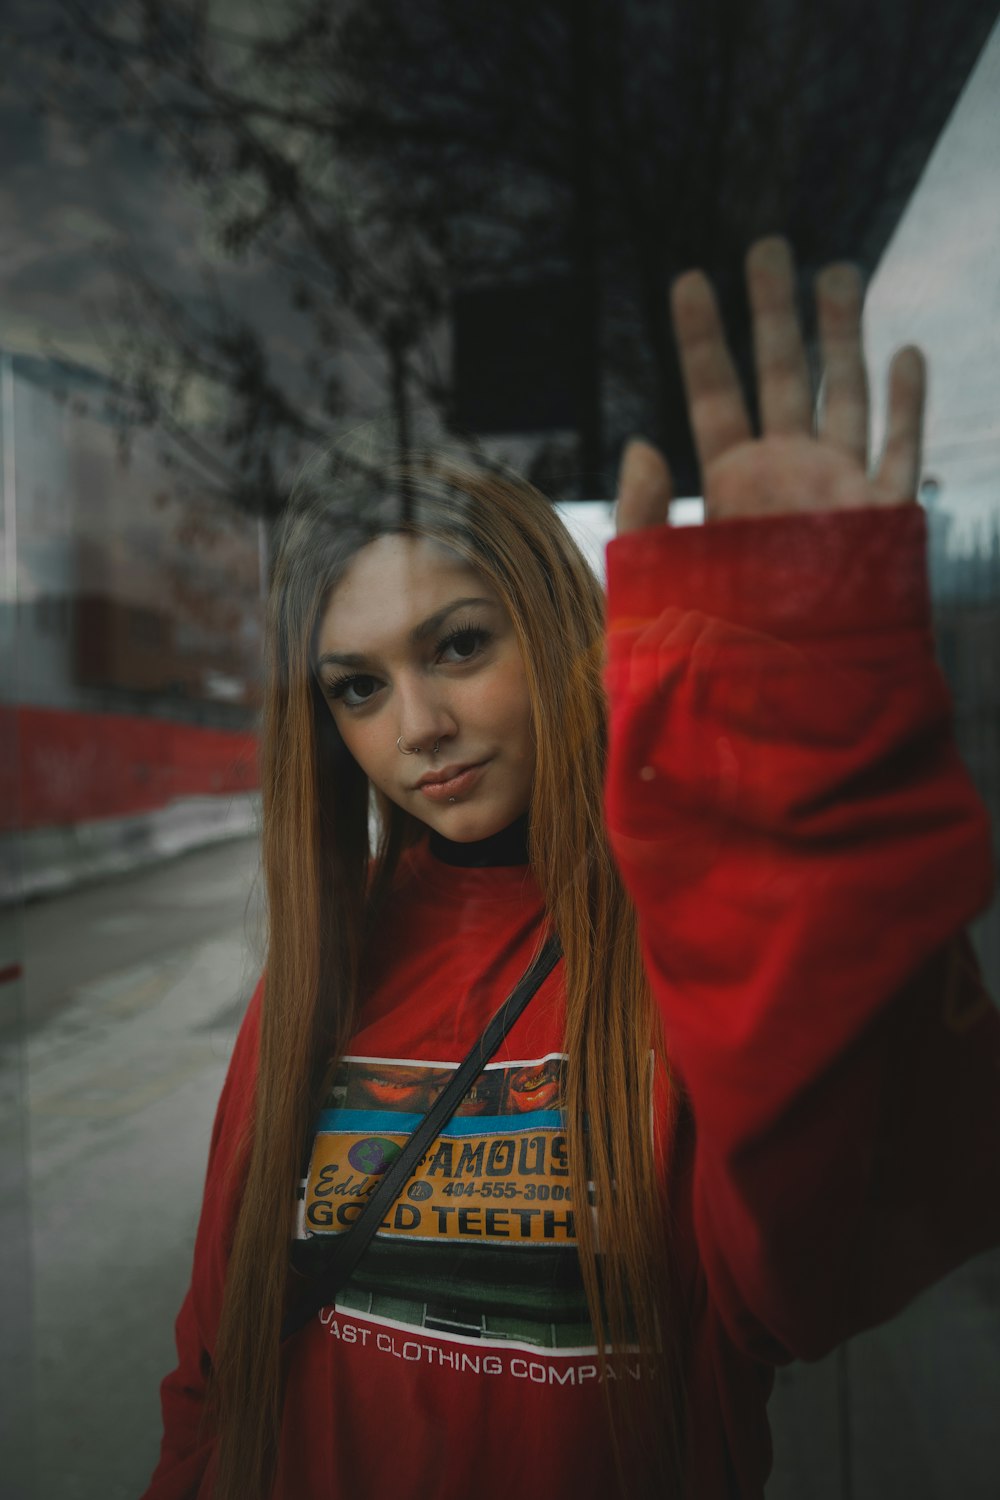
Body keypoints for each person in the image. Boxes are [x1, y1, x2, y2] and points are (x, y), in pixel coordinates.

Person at [143, 238, 1000, 1500]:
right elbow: (211, 1372)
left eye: (459, 644)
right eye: (359, 687)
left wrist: (815, 765)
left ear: (548, 624)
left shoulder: (693, 933)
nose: (417, 725)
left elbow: (796, 1287)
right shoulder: (329, 961)